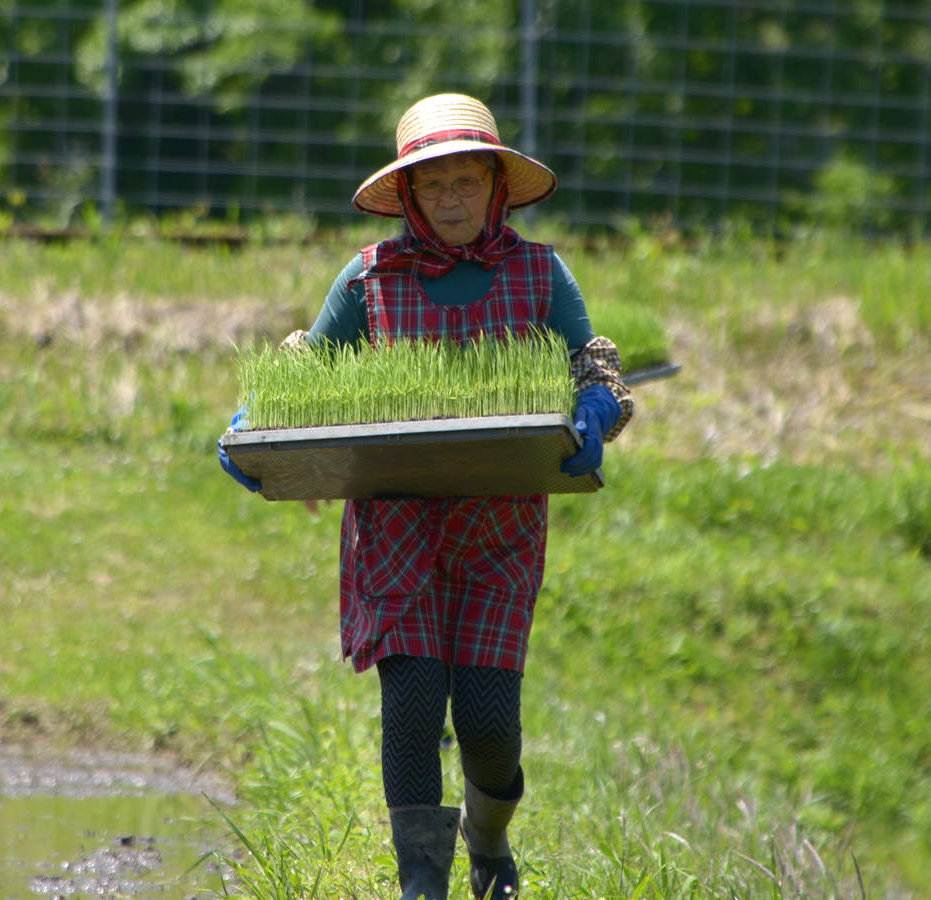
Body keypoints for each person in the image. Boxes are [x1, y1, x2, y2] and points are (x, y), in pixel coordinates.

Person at [217, 93, 635, 900]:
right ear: (407, 194)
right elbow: (304, 374)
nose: (451, 202)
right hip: (397, 524)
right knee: (410, 701)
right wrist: (256, 425)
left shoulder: (539, 274)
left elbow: (595, 366)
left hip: (500, 529)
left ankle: (488, 841)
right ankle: (421, 887)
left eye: (467, 184)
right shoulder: (369, 278)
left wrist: (598, 405)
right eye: (433, 185)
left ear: (496, 188)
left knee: (486, 721)